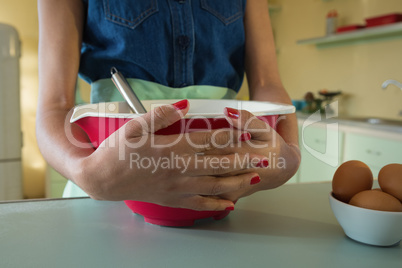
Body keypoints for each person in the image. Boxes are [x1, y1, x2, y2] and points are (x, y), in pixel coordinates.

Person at [36, 0, 301, 211]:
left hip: (222, 187)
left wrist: (290, 155)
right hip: (111, 193)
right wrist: (85, 173)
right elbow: (55, 105)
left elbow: (269, 84)